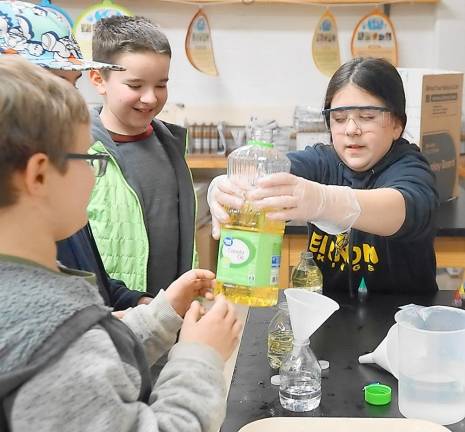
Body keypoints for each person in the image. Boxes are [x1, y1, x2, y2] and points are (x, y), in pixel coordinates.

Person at [0, 55, 242, 431]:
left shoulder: (26, 286)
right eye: (86, 160)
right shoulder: (52, 342)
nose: (93, 175)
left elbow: (91, 366)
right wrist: (199, 358)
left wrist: (161, 315)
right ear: (40, 175)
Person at [209, 57, 439, 295]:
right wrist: (228, 187)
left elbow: (406, 206)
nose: (351, 130)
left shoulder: (410, 166)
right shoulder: (322, 162)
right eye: (339, 119)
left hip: (401, 321)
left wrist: (324, 201)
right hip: (329, 318)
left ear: (396, 124)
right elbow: (269, 175)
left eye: (367, 117)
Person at [0, 0, 152, 309]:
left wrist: (139, 303)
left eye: (73, 84)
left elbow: (93, 281)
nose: (72, 101)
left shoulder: (62, 185)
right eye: (56, 84)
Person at [87, 16, 196, 296]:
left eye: (160, 85)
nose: (150, 98)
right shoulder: (81, 154)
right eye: (135, 86)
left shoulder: (170, 145)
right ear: (99, 79)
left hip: (171, 315)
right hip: (112, 319)